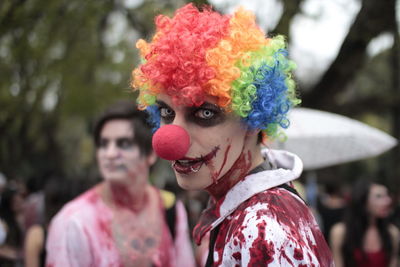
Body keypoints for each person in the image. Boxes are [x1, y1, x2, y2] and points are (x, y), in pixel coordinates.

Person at [131, 3, 333, 266]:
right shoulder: (245, 211)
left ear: (254, 119)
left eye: (204, 113)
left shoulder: (263, 231)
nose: (170, 141)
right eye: (167, 113)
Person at [46, 100, 195, 267]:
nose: (109, 154)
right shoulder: (73, 222)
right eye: (103, 144)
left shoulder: (171, 209)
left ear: (150, 153)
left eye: (124, 144)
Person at [330, 179, 399, 267]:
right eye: (379, 196)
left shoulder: (392, 232)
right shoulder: (340, 232)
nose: (388, 201)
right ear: (362, 200)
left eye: (387, 195)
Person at [0, 187, 25, 267]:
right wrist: (15, 254)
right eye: (15, 201)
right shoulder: (3, 223)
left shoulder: (23, 218)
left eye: (20, 200)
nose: (19, 203)